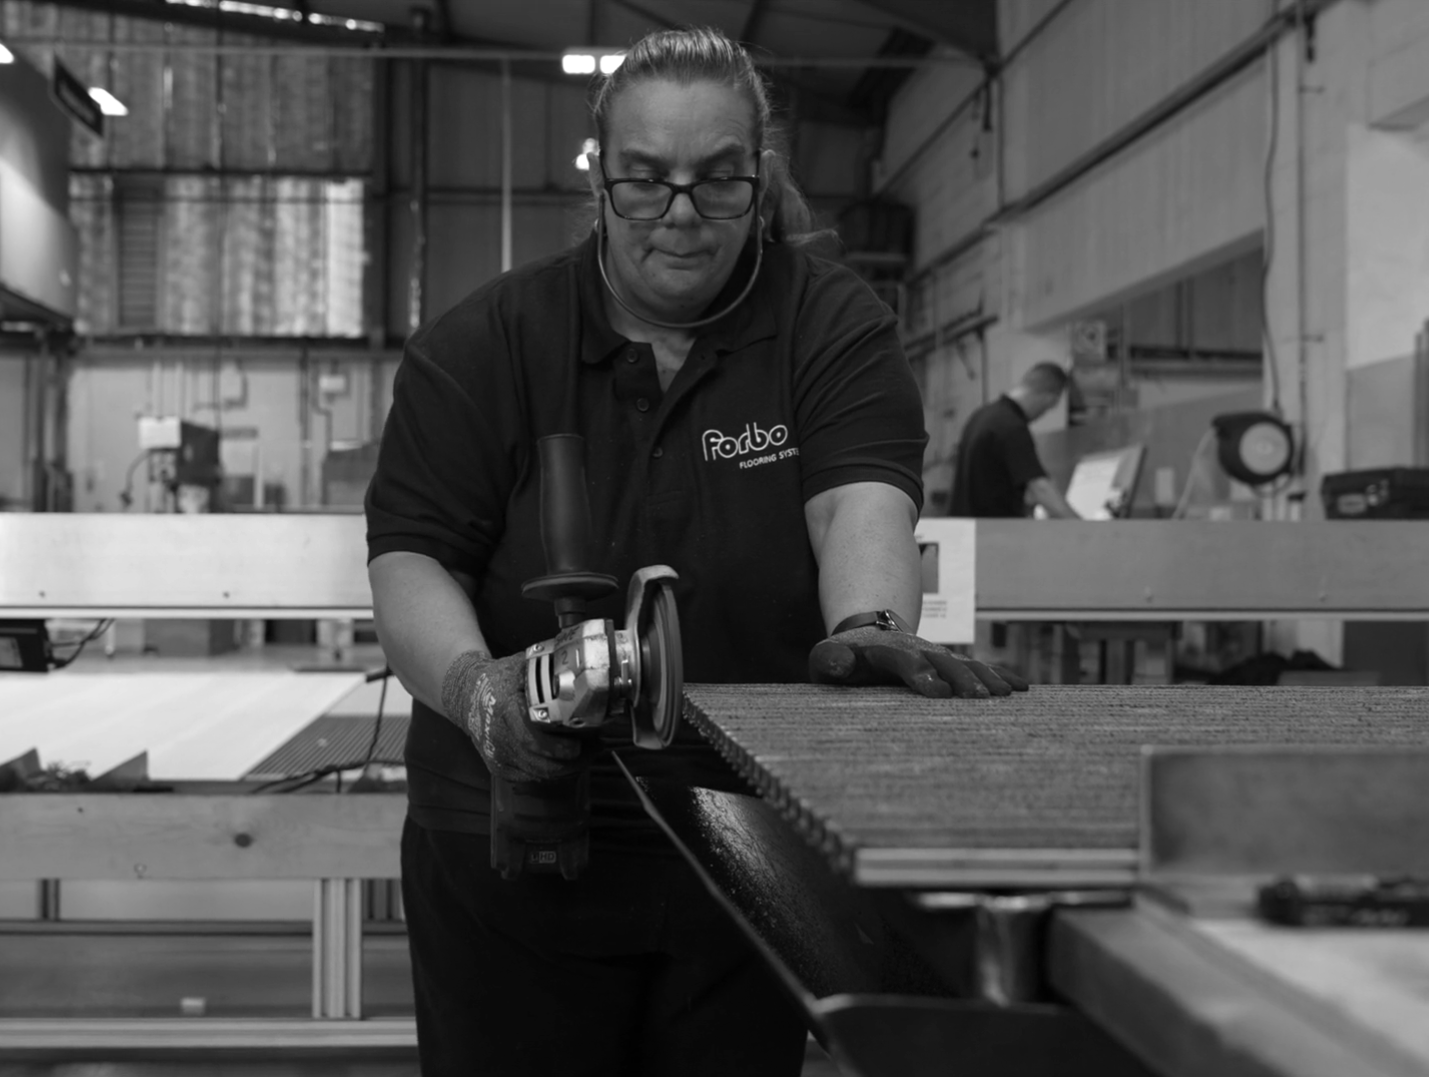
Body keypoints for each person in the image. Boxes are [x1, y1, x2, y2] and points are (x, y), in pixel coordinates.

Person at [364, 27, 1026, 1076]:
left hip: (746, 831)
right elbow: (413, 559)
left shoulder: (828, 323)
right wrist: (478, 692)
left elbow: (858, 506)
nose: (680, 213)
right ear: (600, 179)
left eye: (718, 179)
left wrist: (869, 626)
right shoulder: (485, 343)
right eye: (645, 180)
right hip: (513, 831)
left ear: (759, 178)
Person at [948, 362, 1081, 519]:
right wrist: (1082, 527)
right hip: (991, 528)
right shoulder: (1011, 426)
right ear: (1050, 398)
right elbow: (1040, 489)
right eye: (1048, 408)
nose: (1042, 414)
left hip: (964, 525)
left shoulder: (982, 416)